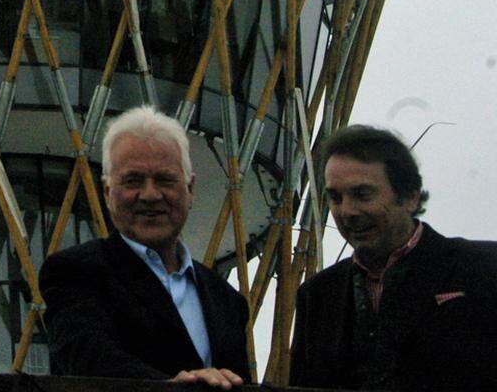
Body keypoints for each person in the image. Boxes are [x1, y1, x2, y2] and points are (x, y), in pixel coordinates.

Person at [40, 106, 249, 388]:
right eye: (133, 181)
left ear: (190, 189)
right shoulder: (75, 273)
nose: (150, 195)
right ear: (107, 192)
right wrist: (168, 387)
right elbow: (87, 359)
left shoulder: (227, 300)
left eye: (165, 179)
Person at [290, 125, 497, 391]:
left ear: (410, 197)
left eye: (362, 194)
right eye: (335, 197)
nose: (347, 211)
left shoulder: (483, 270)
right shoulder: (318, 295)